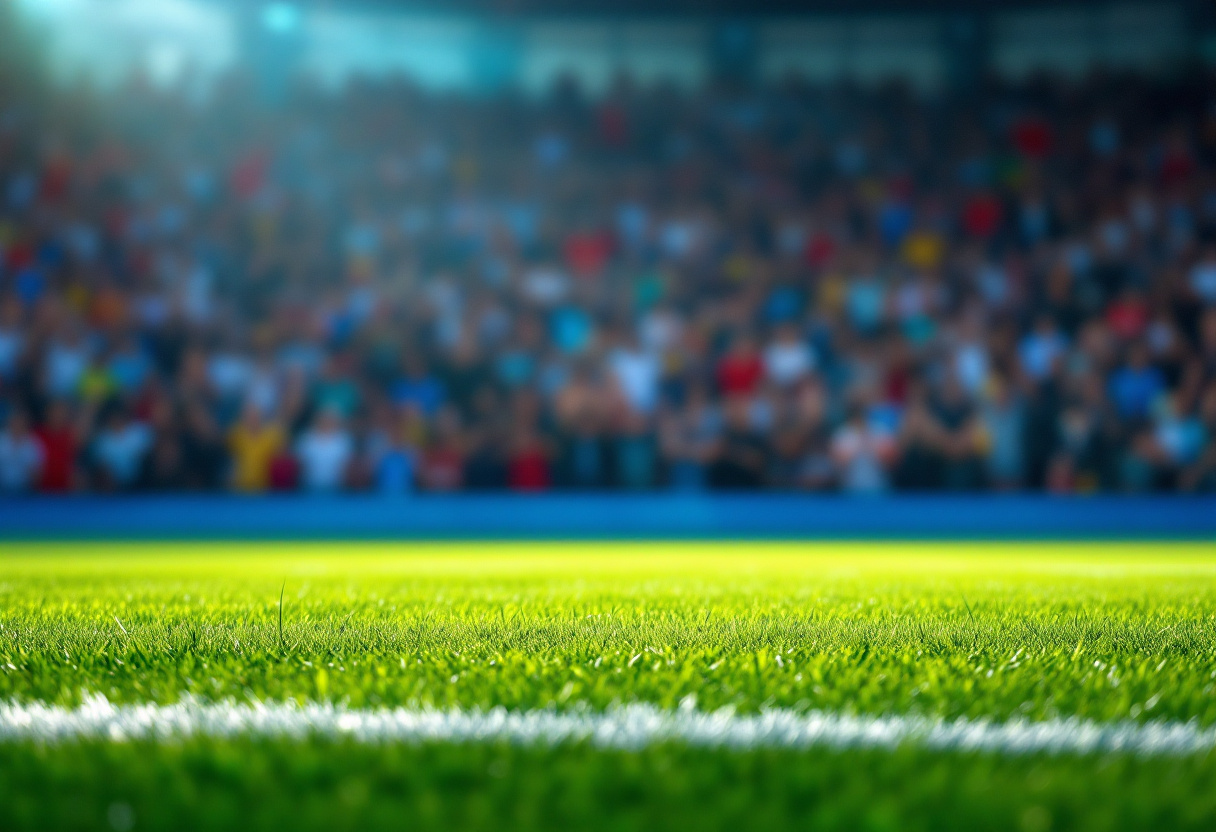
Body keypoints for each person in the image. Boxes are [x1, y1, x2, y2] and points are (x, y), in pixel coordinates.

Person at [228, 403, 285, 493]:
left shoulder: (273, 436)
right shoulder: (235, 434)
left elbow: (281, 457)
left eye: (255, 415)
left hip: (265, 488)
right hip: (239, 487)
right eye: (248, 415)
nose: (252, 418)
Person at [294, 408, 354, 492]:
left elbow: (347, 464)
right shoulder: (306, 439)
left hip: (337, 487)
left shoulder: (344, 440)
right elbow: (299, 463)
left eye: (330, 420)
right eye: (324, 419)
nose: (327, 422)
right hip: (309, 486)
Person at [0, 410, 43, 492]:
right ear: (9, 422)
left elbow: (38, 473)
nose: (17, 425)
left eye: (20, 423)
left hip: (25, 489)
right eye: (15, 422)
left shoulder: (34, 444)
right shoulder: (1, 440)